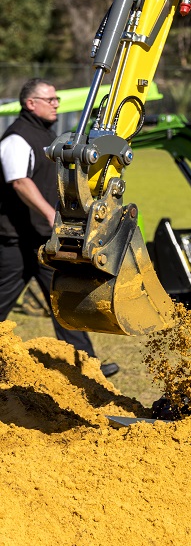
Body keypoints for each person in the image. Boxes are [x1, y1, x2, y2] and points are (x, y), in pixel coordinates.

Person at [0, 78, 119, 378]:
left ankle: (88, 368)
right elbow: (20, 182)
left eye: (56, 99)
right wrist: (50, 213)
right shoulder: (16, 138)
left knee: (65, 301)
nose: (56, 104)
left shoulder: (46, 135)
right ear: (31, 103)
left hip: (44, 240)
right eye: (50, 99)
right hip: (14, 241)